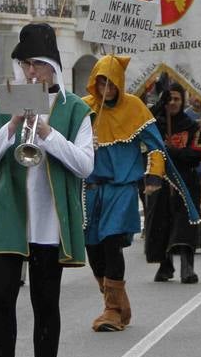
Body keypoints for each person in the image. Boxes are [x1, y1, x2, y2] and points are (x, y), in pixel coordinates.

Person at [0, 22, 93, 357]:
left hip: (48, 222)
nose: (31, 73)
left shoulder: (76, 107)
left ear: (53, 68)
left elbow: (85, 165)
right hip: (9, 217)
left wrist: (46, 133)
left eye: (38, 65)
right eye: (25, 65)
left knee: (46, 306)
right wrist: (12, 126)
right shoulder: (1, 102)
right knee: (1, 302)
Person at [82, 54, 194, 332]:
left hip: (121, 189)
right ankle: (117, 303)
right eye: (100, 82)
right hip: (91, 190)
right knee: (93, 250)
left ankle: (111, 310)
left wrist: (154, 174)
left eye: (110, 82)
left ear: (119, 83)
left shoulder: (134, 108)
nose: (105, 88)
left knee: (111, 243)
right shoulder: (84, 108)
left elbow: (156, 147)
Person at [146, 83, 201, 284]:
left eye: (176, 99)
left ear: (183, 101)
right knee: (161, 222)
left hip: (185, 182)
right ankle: (165, 266)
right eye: (168, 99)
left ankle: (187, 268)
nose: (172, 103)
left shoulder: (191, 126)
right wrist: (158, 105)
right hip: (160, 181)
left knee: (185, 223)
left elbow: (196, 155)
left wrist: (172, 152)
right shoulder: (154, 124)